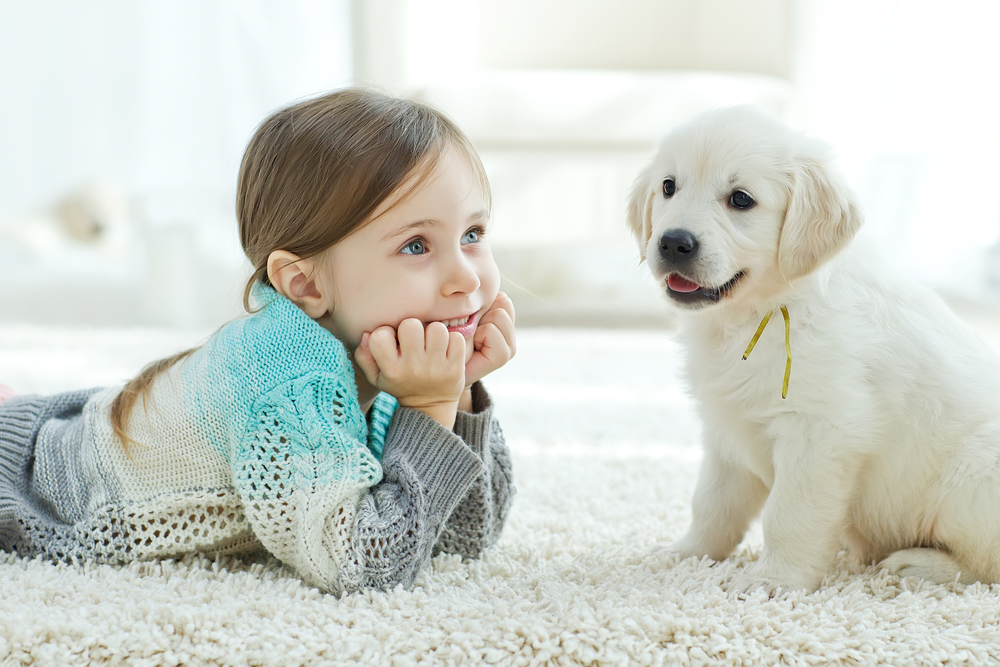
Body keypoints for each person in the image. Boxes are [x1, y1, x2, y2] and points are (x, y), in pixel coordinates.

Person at [0, 88, 516, 596]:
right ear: (306, 285)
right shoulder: (286, 381)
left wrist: (460, 394)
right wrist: (430, 404)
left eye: (473, 234)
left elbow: (461, 537)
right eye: (416, 245)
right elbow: (363, 567)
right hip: (38, 488)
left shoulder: (381, 352)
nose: (467, 279)